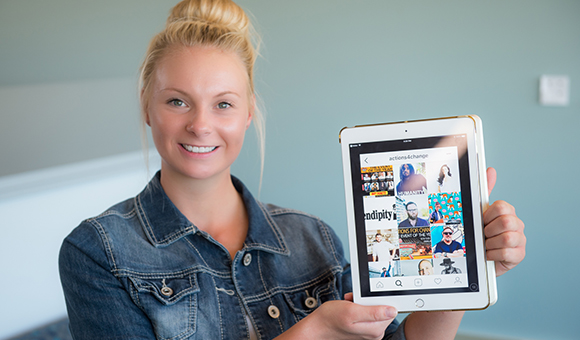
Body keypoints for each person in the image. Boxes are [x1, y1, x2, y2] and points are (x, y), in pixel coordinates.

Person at [59, 1, 527, 339]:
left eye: (223, 104)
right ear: (147, 106)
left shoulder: (313, 238)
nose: (200, 124)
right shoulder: (97, 253)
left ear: (247, 113)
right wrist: (311, 334)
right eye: (177, 101)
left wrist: (471, 270)